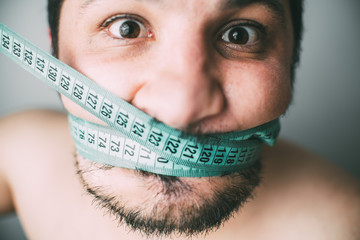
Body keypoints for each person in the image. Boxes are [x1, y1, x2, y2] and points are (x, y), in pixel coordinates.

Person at [0, 0, 359, 239]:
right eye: (126, 28)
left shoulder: (345, 225)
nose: (180, 113)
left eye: (241, 34)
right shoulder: (16, 156)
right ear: (54, 54)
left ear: (293, 58)